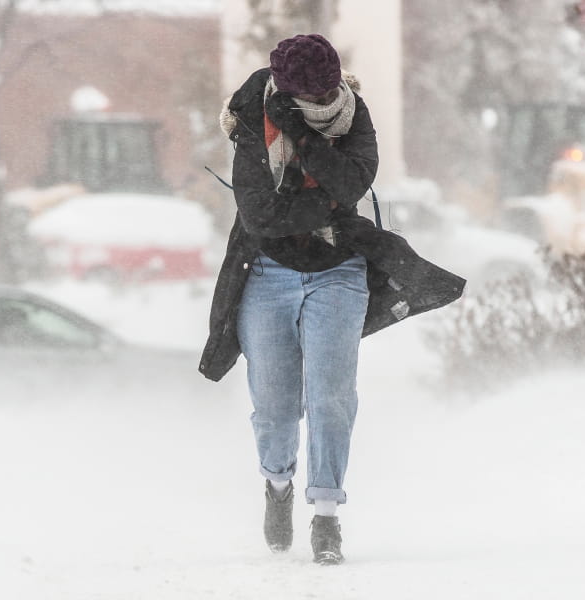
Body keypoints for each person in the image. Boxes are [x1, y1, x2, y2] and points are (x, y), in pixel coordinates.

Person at [199, 34, 465, 565]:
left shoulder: (353, 114)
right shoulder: (254, 114)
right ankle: (277, 485)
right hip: (267, 271)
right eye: (310, 102)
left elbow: (350, 183)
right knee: (275, 408)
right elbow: (261, 218)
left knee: (331, 397)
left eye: (327, 96)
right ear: (288, 90)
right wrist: (329, 204)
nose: (323, 106)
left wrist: (301, 136)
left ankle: (326, 515)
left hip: (340, 271)